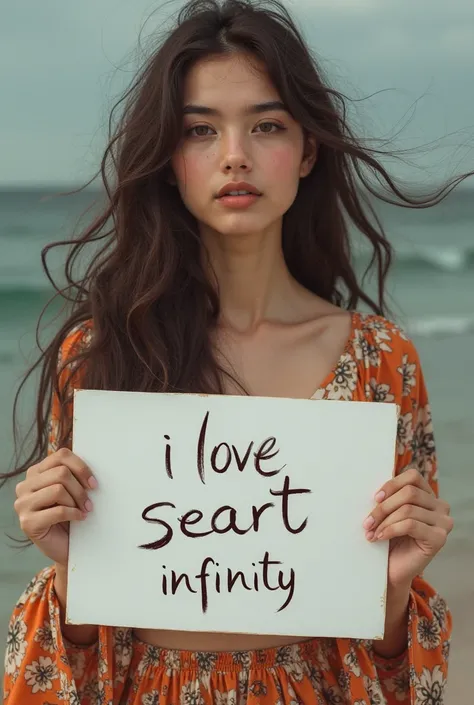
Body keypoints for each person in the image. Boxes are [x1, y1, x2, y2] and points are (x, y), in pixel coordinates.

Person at [2, 0, 470, 703]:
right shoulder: (102, 352)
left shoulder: (382, 360)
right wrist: (70, 568)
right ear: (167, 158)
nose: (234, 155)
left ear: (308, 149)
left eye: (267, 125)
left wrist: (397, 590)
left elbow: (397, 669)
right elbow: (69, 667)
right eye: (200, 130)